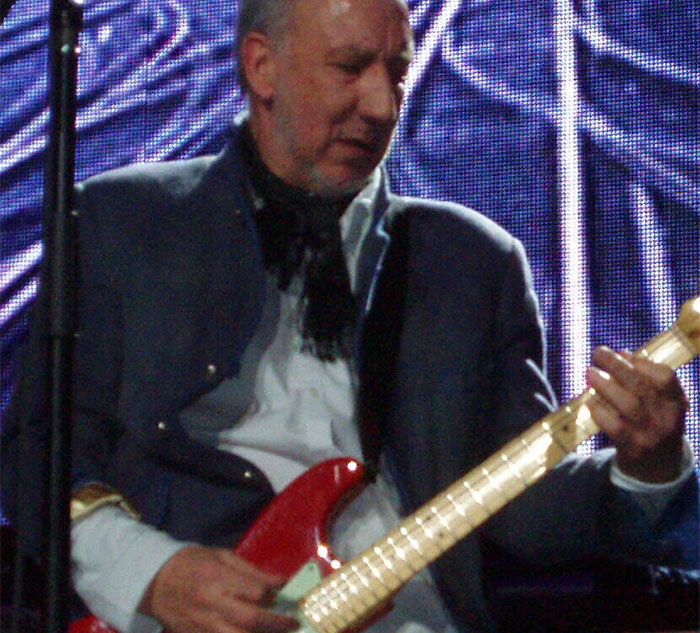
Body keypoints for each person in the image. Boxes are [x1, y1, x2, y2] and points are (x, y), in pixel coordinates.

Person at [2, 0, 696, 632]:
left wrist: (650, 465)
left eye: (397, 70)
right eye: (350, 67)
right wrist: (153, 573)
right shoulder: (123, 222)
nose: (383, 104)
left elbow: (530, 518)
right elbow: (39, 455)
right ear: (261, 68)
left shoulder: (474, 259)